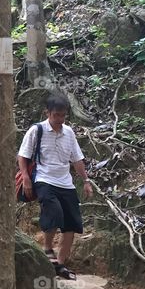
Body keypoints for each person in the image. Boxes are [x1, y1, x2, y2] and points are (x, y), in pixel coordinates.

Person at [17, 93, 93, 279]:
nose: (59, 119)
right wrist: (26, 178)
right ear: (47, 112)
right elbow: (23, 156)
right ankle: (47, 248)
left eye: (63, 115)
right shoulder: (37, 130)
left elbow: (77, 159)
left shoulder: (69, 133)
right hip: (44, 179)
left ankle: (59, 265)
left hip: (65, 183)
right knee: (54, 212)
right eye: (56, 115)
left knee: (72, 225)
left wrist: (86, 181)